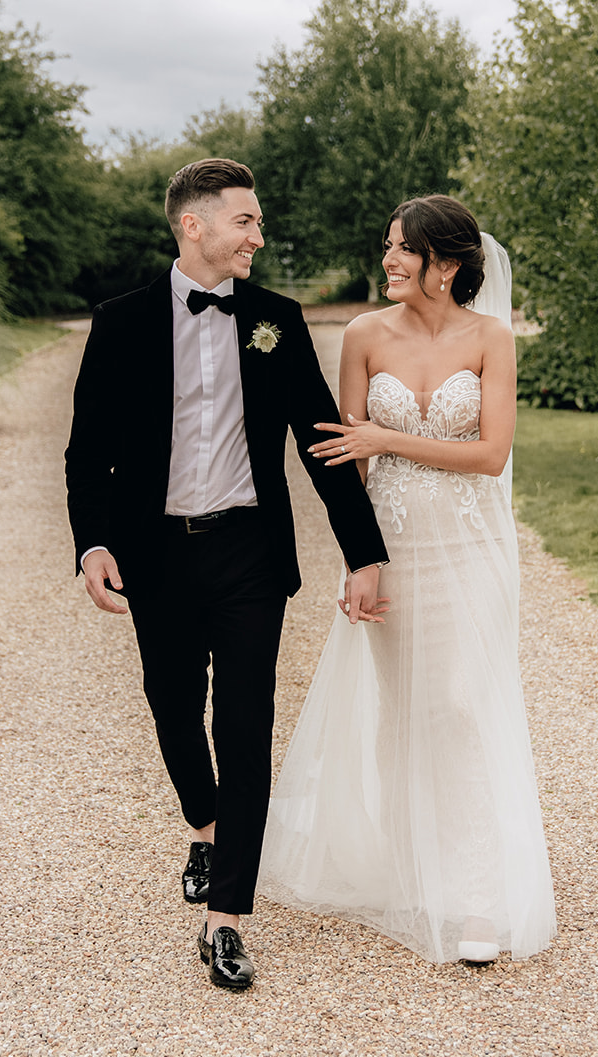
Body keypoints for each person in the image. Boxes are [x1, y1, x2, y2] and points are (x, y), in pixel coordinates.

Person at [65, 158, 390, 991]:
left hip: (249, 554)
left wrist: (365, 550)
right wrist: (93, 546)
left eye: (258, 220)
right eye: (245, 220)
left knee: (245, 724)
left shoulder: (276, 320)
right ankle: (205, 827)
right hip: (157, 555)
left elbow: (322, 441)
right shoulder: (123, 321)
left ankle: (228, 919)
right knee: (172, 706)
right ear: (194, 225)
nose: (259, 234)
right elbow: (86, 453)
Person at [259, 195, 557, 964]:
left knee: (459, 704)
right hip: (392, 544)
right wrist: (359, 560)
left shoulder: (492, 337)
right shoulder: (363, 335)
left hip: (469, 544)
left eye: (404, 249)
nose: (388, 259)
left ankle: (478, 894)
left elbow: (491, 453)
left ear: (447, 263)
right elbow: (348, 463)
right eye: (387, 245)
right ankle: (412, 862)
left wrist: (390, 435)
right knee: (404, 709)